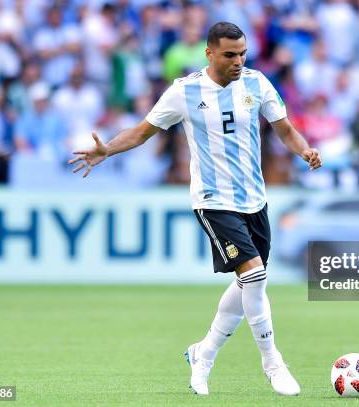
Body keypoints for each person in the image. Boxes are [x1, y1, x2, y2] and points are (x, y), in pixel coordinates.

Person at [68, 22, 322, 396]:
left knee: (246, 283)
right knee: (253, 274)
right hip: (213, 200)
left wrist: (304, 150)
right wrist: (107, 147)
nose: (238, 61)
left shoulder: (257, 83)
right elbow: (141, 132)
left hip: (255, 200)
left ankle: (202, 354)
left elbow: (284, 128)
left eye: (243, 53)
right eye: (230, 54)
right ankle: (273, 364)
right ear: (209, 53)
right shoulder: (184, 92)